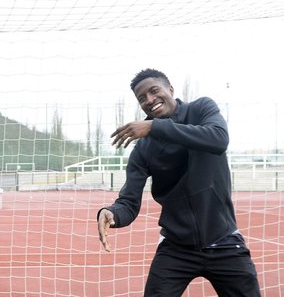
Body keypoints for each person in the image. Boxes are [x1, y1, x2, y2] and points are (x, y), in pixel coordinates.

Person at [97, 68, 260, 296]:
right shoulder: (143, 149)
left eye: (154, 91)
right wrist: (112, 213)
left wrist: (154, 127)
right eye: (142, 98)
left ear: (170, 89)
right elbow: (129, 202)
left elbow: (218, 138)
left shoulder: (201, 109)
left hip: (224, 240)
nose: (149, 100)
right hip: (176, 247)